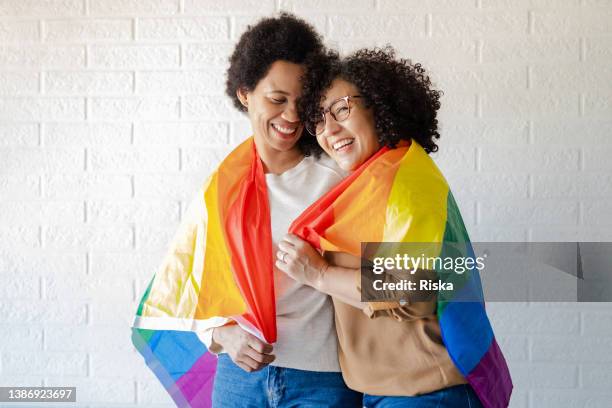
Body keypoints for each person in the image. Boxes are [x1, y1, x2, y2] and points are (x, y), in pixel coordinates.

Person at [132, 13, 361, 408]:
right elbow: (196, 287)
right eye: (277, 99)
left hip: (321, 380)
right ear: (244, 94)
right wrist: (224, 335)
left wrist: (321, 273)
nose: (291, 116)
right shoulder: (223, 186)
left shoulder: (336, 178)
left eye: (301, 102)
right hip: (240, 378)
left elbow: (396, 279)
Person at [275, 47, 513, 408]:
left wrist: (319, 274)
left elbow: (411, 289)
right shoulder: (369, 182)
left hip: (427, 391)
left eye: (341, 109)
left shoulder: (403, 181)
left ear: (378, 105)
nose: (330, 129)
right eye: (318, 120)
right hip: (394, 391)